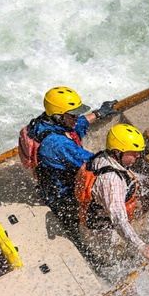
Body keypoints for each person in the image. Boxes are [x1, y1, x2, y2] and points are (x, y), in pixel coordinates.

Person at [18, 86, 120, 241]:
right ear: (59, 116)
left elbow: (76, 125)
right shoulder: (58, 144)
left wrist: (99, 113)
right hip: (63, 198)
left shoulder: (44, 123)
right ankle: (90, 233)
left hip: (50, 187)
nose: (76, 118)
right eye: (73, 115)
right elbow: (96, 164)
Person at [75, 123, 149, 262]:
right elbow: (119, 221)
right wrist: (142, 247)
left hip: (93, 226)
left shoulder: (105, 158)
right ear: (117, 151)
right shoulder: (111, 181)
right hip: (104, 244)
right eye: (133, 152)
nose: (138, 156)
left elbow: (127, 176)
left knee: (144, 201)